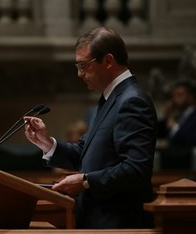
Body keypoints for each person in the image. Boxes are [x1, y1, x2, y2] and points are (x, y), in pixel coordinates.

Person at [24, 27, 157, 229]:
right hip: (98, 222)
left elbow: (136, 169)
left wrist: (86, 181)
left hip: (118, 225)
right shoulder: (111, 98)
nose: (79, 74)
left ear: (108, 61)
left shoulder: (132, 101)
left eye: (84, 66)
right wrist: (47, 143)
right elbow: (84, 153)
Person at [157, 80, 196, 147]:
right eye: (174, 95)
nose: (175, 99)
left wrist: (174, 127)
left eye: (179, 95)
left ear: (190, 97)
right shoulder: (176, 117)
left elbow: (194, 141)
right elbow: (159, 135)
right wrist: (165, 115)